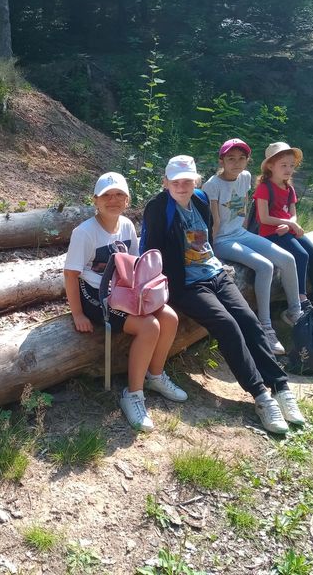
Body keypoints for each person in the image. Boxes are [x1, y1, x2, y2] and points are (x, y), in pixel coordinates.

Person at [142, 156, 306, 435]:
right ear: (165, 182)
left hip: (215, 273)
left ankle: (280, 387)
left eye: (187, 181)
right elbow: (150, 251)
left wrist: (214, 264)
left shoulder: (200, 199)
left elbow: (206, 237)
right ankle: (261, 396)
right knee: (227, 325)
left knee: (249, 320)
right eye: (176, 181)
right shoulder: (158, 208)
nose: (182, 186)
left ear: (195, 181)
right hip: (185, 285)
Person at [64, 172, 185, 432]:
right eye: (106, 195)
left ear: (127, 200)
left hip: (123, 291)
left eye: (119, 195)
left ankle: (155, 375)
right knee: (149, 326)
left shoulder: (127, 225)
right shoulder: (84, 233)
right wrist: (78, 314)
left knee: (169, 317)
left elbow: (133, 264)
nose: (113, 200)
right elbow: (71, 274)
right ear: (95, 200)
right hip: (95, 295)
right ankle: (133, 394)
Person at [202, 138, 303, 355]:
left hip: (241, 234)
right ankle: (265, 327)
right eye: (231, 158)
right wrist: (210, 252)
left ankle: (295, 312)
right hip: (222, 240)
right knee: (265, 266)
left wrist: (249, 234)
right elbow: (214, 222)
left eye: (242, 158)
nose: (236, 163)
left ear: (248, 160)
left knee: (288, 259)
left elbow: (245, 208)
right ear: (221, 161)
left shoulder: (246, 177)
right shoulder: (212, 185)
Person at [253, 142, 313, 318]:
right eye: (283, 165)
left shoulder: (289, 188)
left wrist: (292, 223)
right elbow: (264, 218)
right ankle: (301, 299)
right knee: (301, 255)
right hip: (271, 234)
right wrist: (289, 224)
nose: (288, 169)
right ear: (270, 166)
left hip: (288, 230)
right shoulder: (264, 188)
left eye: (291, 165)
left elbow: (293, 214)